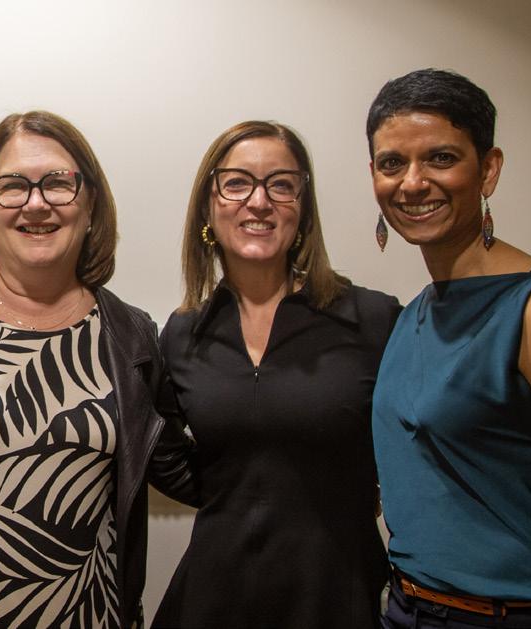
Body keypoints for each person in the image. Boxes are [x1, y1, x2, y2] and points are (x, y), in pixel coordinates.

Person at [0, 110, 192, 628]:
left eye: (58, 183)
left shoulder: (132, 336)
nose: (37, 203)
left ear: (90, 204)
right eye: (13, 186)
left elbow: (184, 471)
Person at [153, 121, 401, 628]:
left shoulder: (373, 319)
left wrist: (348, 487)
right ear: (208, 207)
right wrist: (237, 494)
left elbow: (418, 445)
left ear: (303, 209)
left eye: (281, 184)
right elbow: (158, 448)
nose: (259, 201)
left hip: (337, 596)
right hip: (215, 597)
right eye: (237, 183)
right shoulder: (183, 333)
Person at [367, 69, 531, 627]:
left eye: (440, 158)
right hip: (407, 606)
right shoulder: (412, 312)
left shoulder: (530, 308)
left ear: (488, 169)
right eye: (392, 163)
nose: (413, 183)